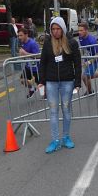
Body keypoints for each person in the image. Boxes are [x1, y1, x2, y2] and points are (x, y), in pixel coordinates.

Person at [38, 17, 81, 153]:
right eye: (53, 29)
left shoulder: (71, 43)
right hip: (51, 82)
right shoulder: (47, 43)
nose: (55, 31)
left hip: (67, 81)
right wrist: (41, 81)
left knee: (66, 110)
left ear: (63, 29)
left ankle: (66, 137)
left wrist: (78, 82)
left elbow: (77, 64)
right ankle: (55, 140)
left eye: (58, 29)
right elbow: (43, 63)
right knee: (53, 111)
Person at [78, 22, 98, 95]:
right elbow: (82, 49)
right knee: (87, 76)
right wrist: (82, 58)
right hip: (86, 59)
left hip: (95, 60)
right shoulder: (80, 38)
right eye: (79, 30)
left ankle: (90, 91)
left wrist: (88, 62)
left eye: (81, 30)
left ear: (86, 30)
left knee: (85, 76)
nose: (79, 32)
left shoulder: (92, 40)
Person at [17, 27, 40, 97]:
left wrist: (25, 53)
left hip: (36, 67)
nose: (19, 37)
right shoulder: (22, 43)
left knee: (40, 84)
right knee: (22, 80)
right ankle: (32, 89)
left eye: (21, 35)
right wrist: (21, 55)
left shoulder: (32, 43)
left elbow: (38, 56)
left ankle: (45, 95)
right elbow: (24, 55)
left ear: (26, 35)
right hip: (28, 66)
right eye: (18, 35)